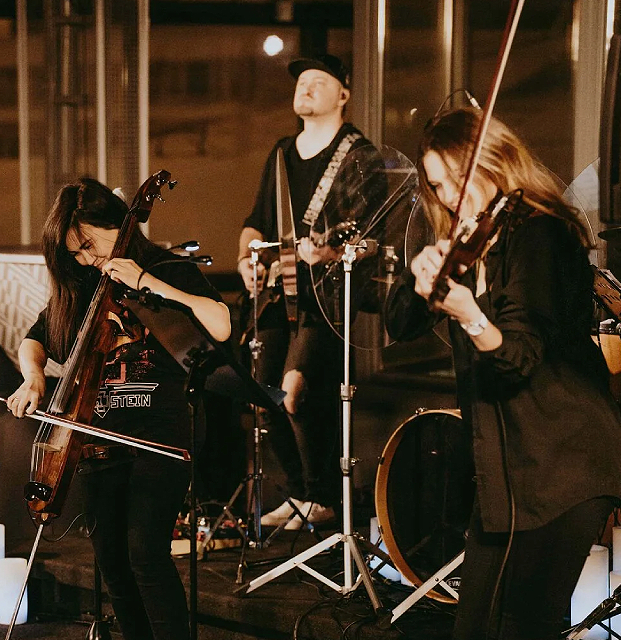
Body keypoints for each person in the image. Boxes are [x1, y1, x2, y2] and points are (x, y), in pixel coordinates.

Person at [384, 107, 621, 639]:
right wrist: (418, 282)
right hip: (507, 469)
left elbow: (519, 355)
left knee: (524, 627)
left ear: (492, 161)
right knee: (473, 628)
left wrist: (471, 315)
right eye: (438, 186)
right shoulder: (470, 244)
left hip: (566, 460)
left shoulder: (542, 233)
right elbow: (400, 324)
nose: (449, 197)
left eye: (456, 178)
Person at [6, 177, 230, 640]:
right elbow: (35, 338)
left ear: (115, 223)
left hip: (161, 432)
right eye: (75, 254)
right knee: (112, 562)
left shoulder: (167, 267)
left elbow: (221, 324)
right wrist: (33, 377)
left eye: (88, 245)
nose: (85, 259)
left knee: (145, 554)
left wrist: (147, 282)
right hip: (97, 439)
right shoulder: (84, 283)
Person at [238, 54, 375, 529]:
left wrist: (331, 252)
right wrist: (246, 261)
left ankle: (324, 497)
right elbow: (254, 222)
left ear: (344, 94)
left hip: (327, 297)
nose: (306, 87)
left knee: (295, 390)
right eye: (301, 82)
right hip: (279, 292)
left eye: (319, 81)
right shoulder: (281, 153)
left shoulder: (358, 157)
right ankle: (299, 492)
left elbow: (371, 237)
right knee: (263, 394)